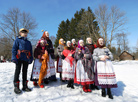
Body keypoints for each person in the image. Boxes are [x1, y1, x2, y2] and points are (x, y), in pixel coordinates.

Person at [12, 28, 33, 94]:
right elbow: (14, 49)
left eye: (26, 33)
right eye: (23, 32)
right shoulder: (17, 40)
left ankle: (25, 86)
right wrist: (14, 57)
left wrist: (31, 58)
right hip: (19, 58)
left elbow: (31, 51)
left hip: (26, 58)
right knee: (17, 71)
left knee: (25, 72)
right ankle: (16, 86)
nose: (25, 34)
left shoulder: (28, 42)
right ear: (20, 33)